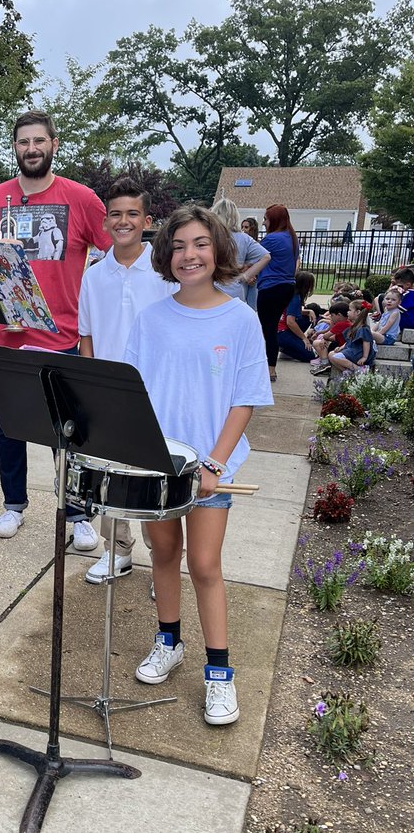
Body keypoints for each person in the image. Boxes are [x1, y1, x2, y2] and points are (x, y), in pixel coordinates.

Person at [123, 205, 272, 726]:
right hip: (157, 464)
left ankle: (219, 674)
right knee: (163, 553)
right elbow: (133, 394)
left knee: (205, 565)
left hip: (213, 466)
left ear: (220, 251)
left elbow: (246, 398)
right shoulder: (150, 320)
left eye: (201, 244)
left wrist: (215, 462)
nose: (191, 255)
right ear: (167, 255)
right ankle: (169, 642)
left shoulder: (241, 319)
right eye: (180, 245)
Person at [0, 110, 111, 548]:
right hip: (4, 335)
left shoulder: (82, 199)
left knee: (66, 428)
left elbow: (113, 252)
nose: (31, 149)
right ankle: (13, 505)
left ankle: (78, 512)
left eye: (39, 141)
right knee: (9, 426)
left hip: (61, 333)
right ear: (15, 147)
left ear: (54, 144)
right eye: (23, 142)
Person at [77, 177, 176, 583]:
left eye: (132, 214)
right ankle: (117, 551)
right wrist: (90, 388)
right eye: (115, 214)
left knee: (155, 484)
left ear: (147, 220)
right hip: (109, 394)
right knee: (109, 479)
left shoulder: (164, 274)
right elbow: (87, 337)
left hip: (156, 393)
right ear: (104, 222)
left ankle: (162, 565)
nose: (123, 221)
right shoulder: (93, 276)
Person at [256, 204, 299, 382]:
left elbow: (254, 258)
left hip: (271, 288)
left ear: (274, 220)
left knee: (267, 330)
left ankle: (270, 369)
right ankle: (270, 367)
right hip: (287, 287)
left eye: (266, 219)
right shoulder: (291, 238)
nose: (264, 223)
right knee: (271, 327)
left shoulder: (272, 239)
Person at [211, 198, 270, 309]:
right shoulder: (244, 238)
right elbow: (266, 257)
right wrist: (246, 276)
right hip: (234, 290)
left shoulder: (209, 236)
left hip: (211, 288)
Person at [276, 271, 317, 362]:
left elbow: (290, 312)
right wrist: (304, 338)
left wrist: (309, 311)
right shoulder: (295, 298)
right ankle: (285, 348)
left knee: (308, 317)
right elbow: (290, 322)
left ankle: (290, 346)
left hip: (278, 329)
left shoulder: (288, 292)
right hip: (281, 332)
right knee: (310, 356)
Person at [328, 300, 375, 374]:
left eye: (349, 310)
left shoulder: (363, 328)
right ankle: (348, 372)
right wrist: (341, 348)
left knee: (336, 357)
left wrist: (364, 357)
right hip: (351, 349)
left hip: (357, 352)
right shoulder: (354, 327)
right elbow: (349, 340)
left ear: (358, 312)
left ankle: (359, 369)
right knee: (331, 354)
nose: (347, 312)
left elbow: (366, 342)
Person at [310, 300, 351, 374]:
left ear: (339, 315)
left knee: (317, 343)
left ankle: (325, 364)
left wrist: (325, 339)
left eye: (332, 315)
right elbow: (334, 337)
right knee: (322, 341)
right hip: (342, 345)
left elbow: (326, 335)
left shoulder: (341, 324)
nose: (331, 318)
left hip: (341, 348)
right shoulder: (347, 323)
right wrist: (326, 339)